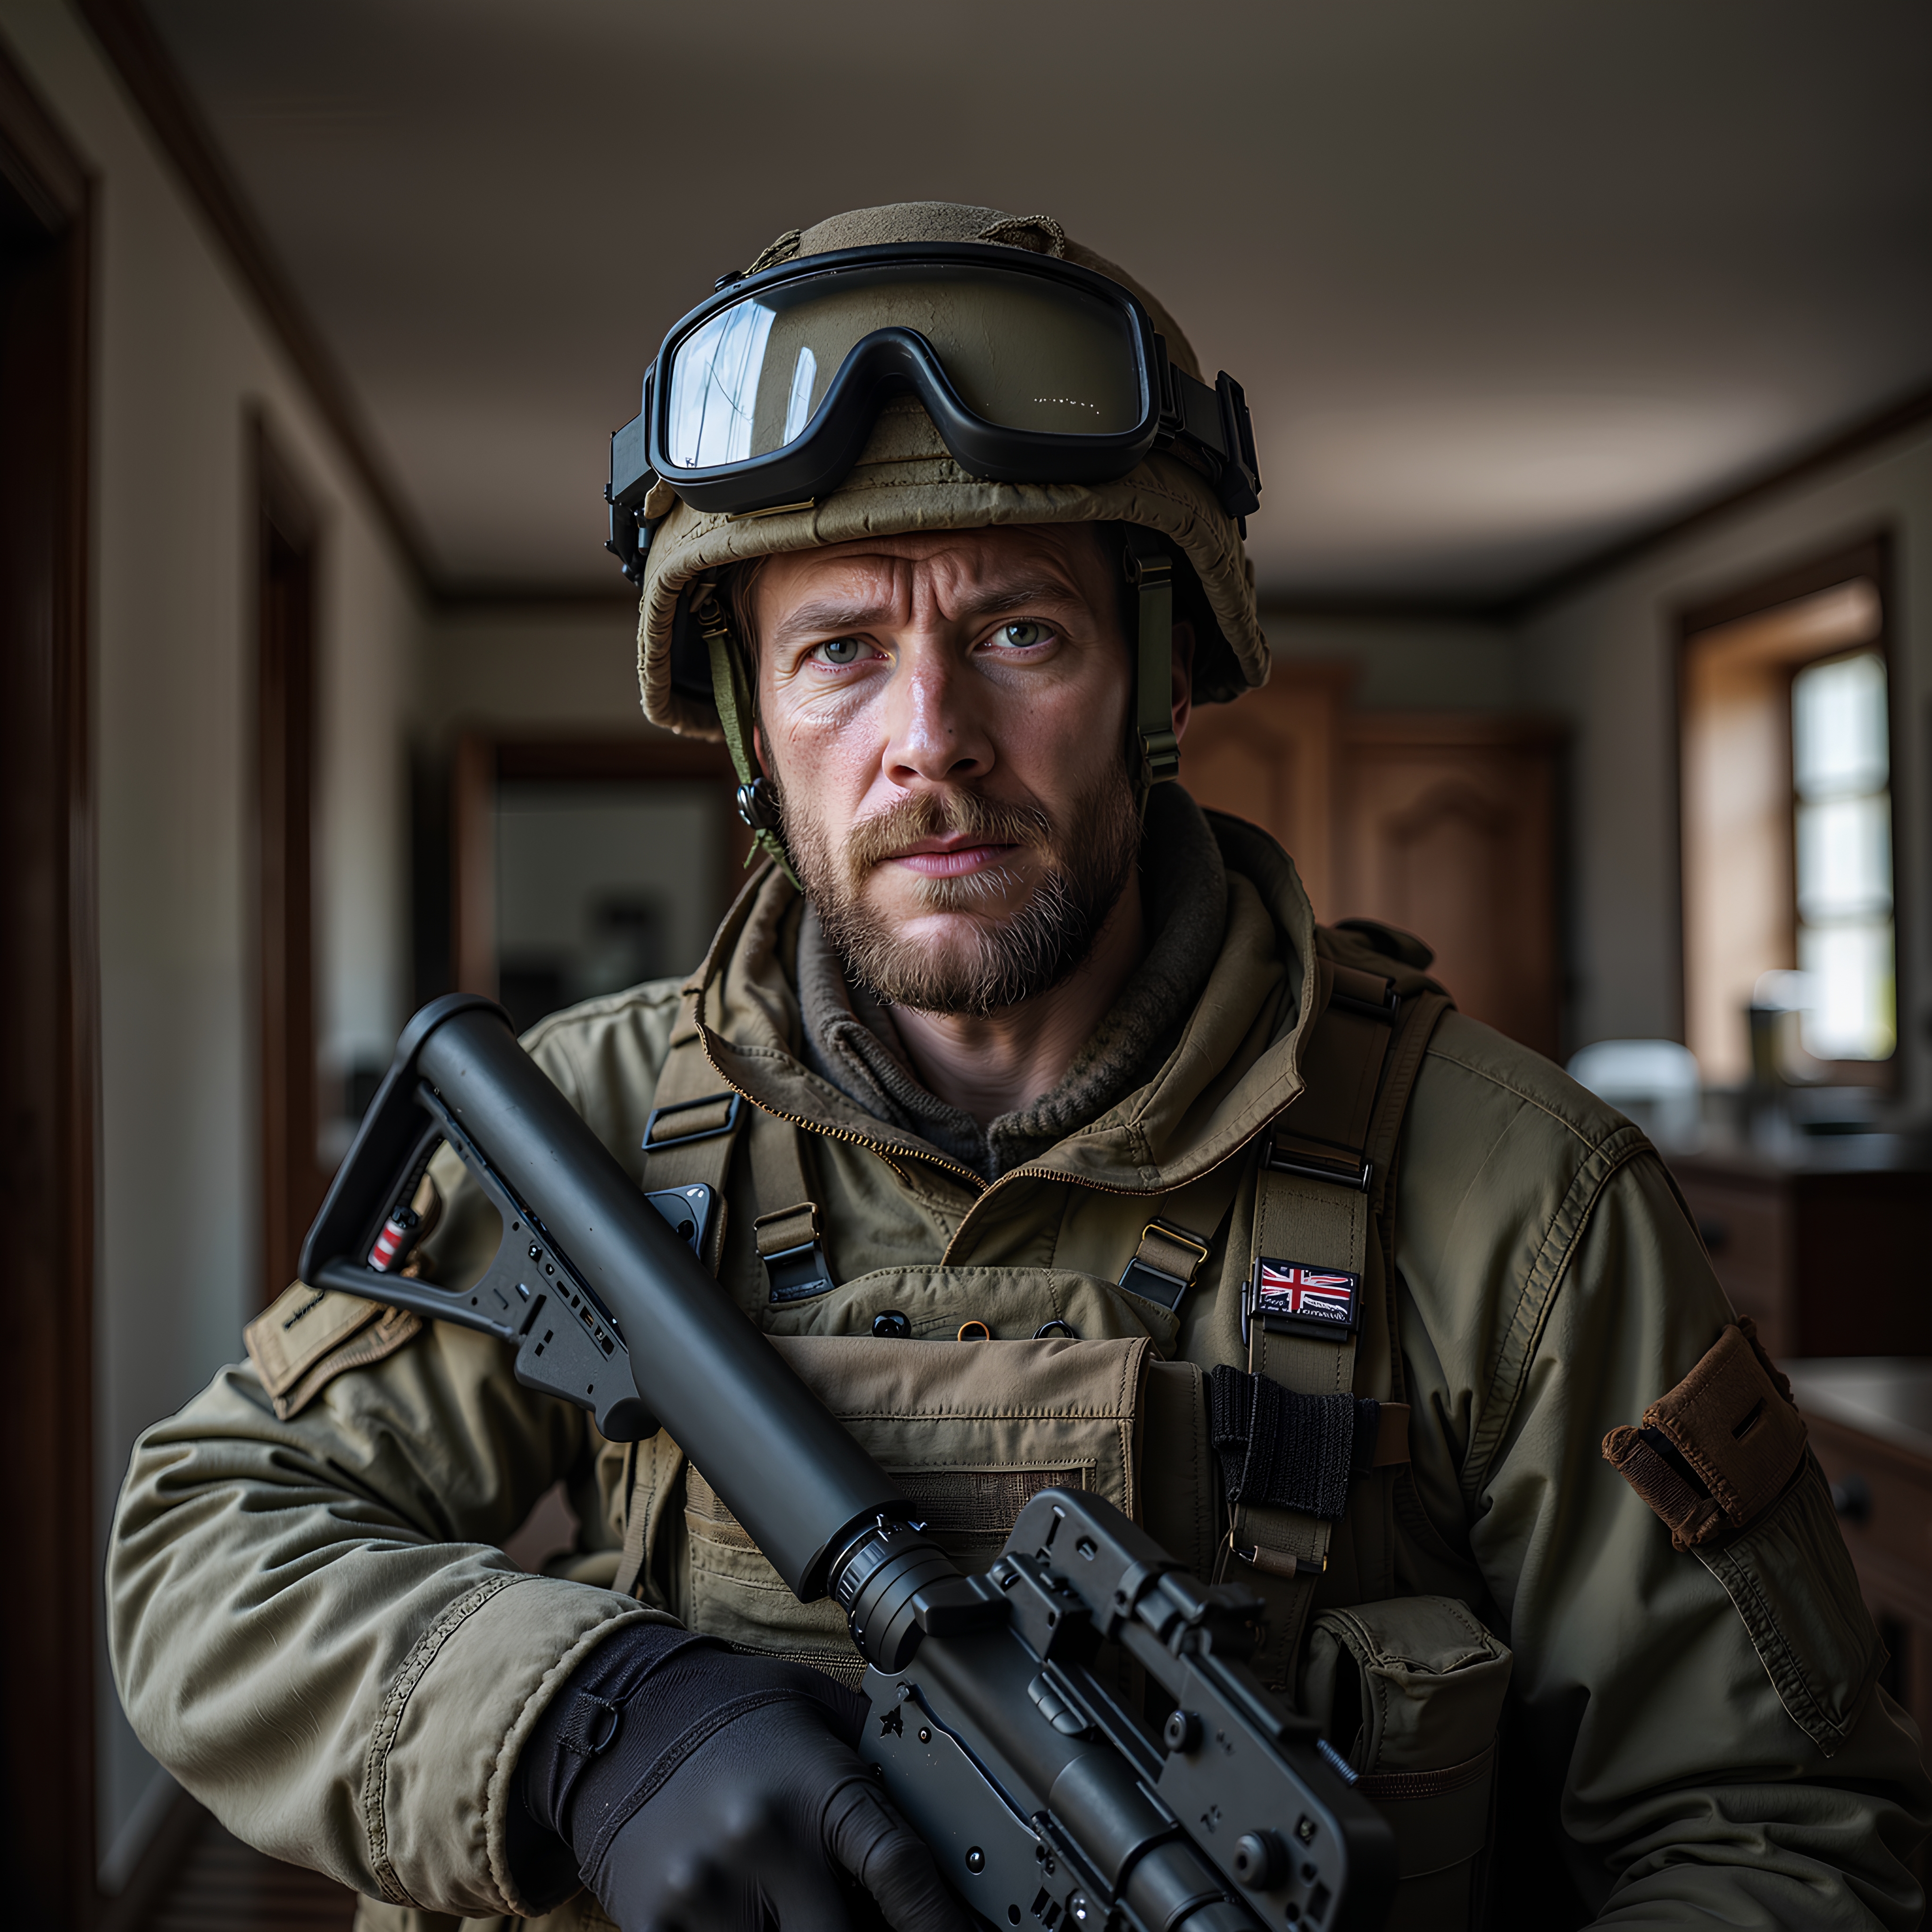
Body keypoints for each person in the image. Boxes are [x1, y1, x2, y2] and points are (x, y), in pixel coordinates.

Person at [109, 202, 1928, 1932]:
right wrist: (587, 1723)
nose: (931, 744)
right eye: (838, 651)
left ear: (1157, 681)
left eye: (1017, 633)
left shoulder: (1519, 1203)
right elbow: (207, 1536)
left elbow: (1774, 1832)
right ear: (754, 732)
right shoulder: (574, 1137)